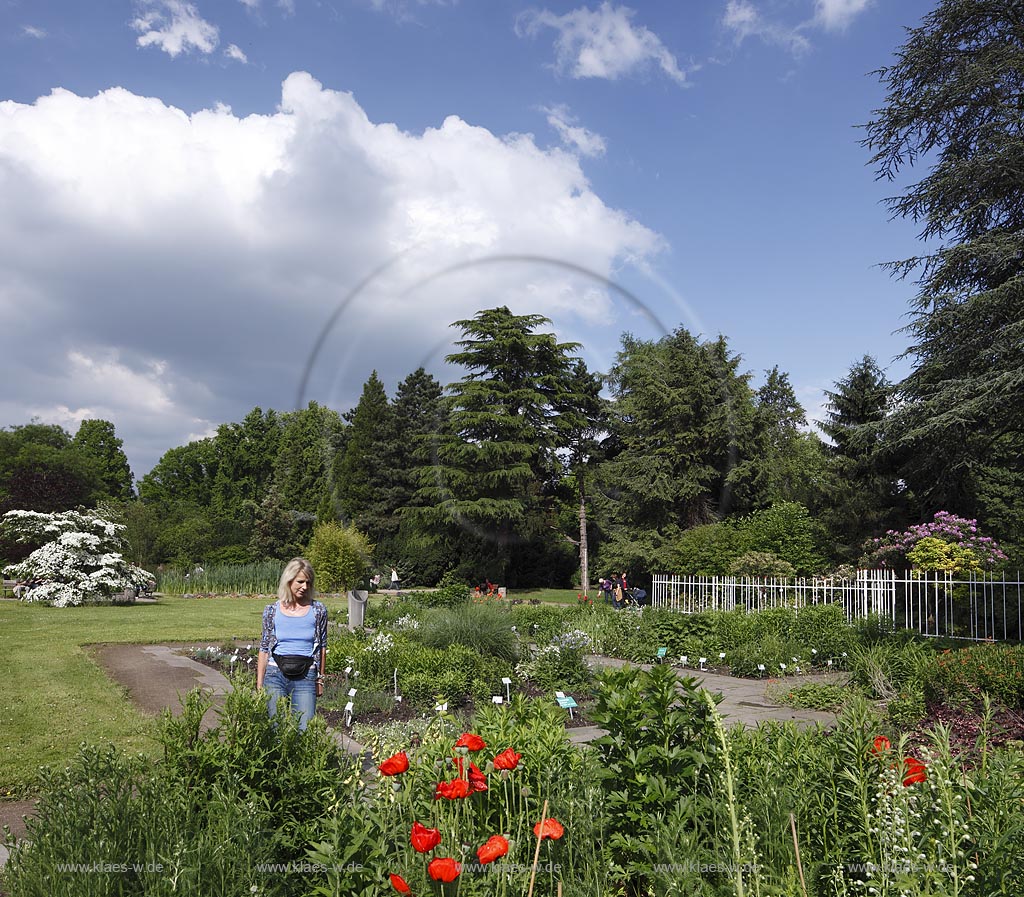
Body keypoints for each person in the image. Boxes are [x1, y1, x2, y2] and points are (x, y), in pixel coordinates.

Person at [256, 557, 328, 732]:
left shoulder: (318, 610)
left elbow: (322, 647)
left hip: (306, 676)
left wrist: (320, 679)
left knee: (304, 731)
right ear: (289, 581)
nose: (305, 587)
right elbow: (264, 649)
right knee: (275, 730)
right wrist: (259, 684)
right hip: (275, 674)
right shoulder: (272, 611)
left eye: (308, 583)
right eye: (300, 582)